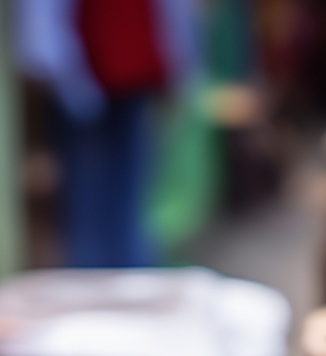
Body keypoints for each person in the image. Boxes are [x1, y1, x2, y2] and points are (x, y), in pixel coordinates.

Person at [14, 0, 199, 267]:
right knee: (88, 218)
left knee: (129, 210)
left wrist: (180, 63)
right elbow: (40, 23)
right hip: (79, 81)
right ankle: (90, 294)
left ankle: (134, 293)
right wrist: (58, 70)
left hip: (135, 77)